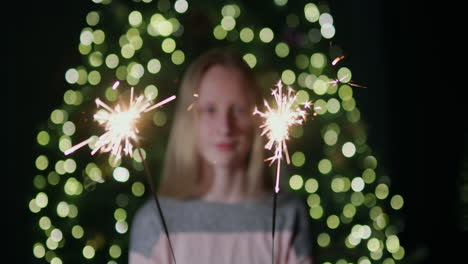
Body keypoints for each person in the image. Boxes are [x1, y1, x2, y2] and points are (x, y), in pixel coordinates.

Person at [129, 48, 314, 264]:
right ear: (189, 120)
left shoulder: (288, 217)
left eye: (238, 110)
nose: (225, 128)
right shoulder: (155, 222)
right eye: (209, 110)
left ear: (257, 117)